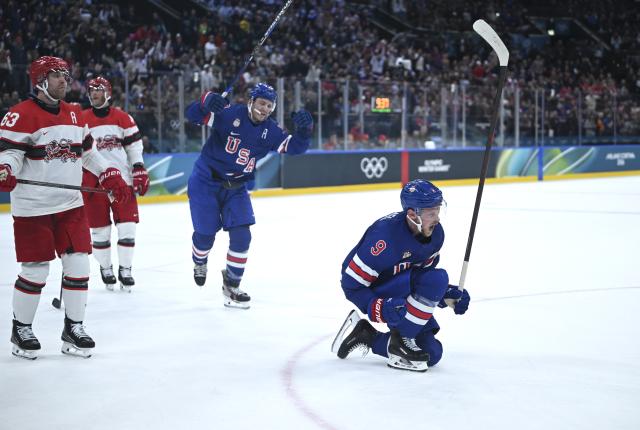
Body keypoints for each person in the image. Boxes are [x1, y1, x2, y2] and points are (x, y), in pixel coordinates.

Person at [0, 56, 130, 359]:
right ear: (41, 80)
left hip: (71, 205)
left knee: (79, 265)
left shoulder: (73, 114)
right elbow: (11, 155)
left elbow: (88, 154)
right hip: (34, 208)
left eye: (66, 75)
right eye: (57, 75)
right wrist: (5, 169)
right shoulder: (20, 116)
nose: (64, 80)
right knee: (36, 270)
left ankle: (74, 327)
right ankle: (21, 329)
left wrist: (108, 172)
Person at [185, 83, 313, 309]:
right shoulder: (229, 114)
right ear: (251, 101)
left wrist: (304, 131)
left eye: (270, 106)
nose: (265, 109)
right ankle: (199, 261)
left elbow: (295, 148)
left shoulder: (271, 131)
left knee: (242, 236)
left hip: (236, 188)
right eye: (262, 103)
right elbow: (193, 116)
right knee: (205, 235)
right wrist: (206, 101)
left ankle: (232, 286)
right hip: (205, 181)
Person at [332, 179, 471, 372]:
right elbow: (351, 285)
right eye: (432, 213)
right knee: (438, 278)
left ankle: (367, 335)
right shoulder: (384, 239)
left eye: (438, 210)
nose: (437, 218)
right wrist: (376, 306)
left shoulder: (436, 235)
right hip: (377, 291)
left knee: (431, 354)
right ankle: (400, 343)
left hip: (401, 288)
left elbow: (423, 278)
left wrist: (446, 296)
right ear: (413, 214)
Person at [81, 76, 149, 293]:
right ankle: (106, 267)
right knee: (100, 232)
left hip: (122, 181)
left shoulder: (123, 118)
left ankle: (126, 269)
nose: (94, 93)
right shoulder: (81, 119)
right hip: (93, 183)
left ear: (108, 93)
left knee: (127, 226)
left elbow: (134, 146)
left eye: (98, 90)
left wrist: (138, 167)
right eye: (91, 90)